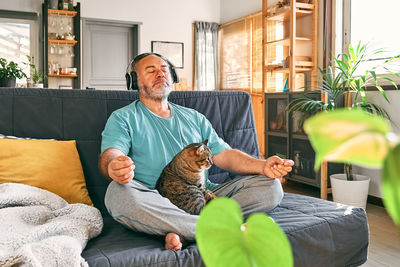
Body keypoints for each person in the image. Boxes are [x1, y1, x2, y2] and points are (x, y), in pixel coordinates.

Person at [99, 53, 294, 251]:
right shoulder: (123, 118)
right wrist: (113, 165)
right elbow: (112, 153)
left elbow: (225, 155)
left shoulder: (194, 117)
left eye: (165, 69)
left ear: (173, 77)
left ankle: (185, 230)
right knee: (117, 194)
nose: (160, 74)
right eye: (151, 71)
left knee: (270, 186)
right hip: (153, 199)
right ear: (133, 81)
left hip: (203, 195)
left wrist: (263, 165)